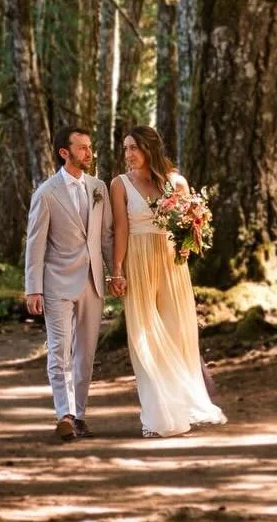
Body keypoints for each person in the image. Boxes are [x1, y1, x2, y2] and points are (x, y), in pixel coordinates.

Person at [108, 125, 227, 439]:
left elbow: (190, 231)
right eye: (126, 149)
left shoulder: (177, 182)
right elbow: (120, 229)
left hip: (172, 265)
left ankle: (185, 404)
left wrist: (189, 241)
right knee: (145, 336)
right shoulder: (119, 184)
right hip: (137, 262)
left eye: (134, 147)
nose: (129, 154)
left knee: (177, 333)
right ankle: (159, 413)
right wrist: (116, 270)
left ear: (150, 148)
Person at [25, 124, 113, 443]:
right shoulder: (46, 193)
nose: (89, 153)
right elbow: (35, 243)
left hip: (92, 282)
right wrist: (32, 287)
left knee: (85, 353)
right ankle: (63, 414)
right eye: (82, 148)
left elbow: (105, 237)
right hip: (56, 283)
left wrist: (116, 272)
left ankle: (79, 415)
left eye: (90, 147)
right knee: (60, 350)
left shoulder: (99, 187)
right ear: (65, 153)